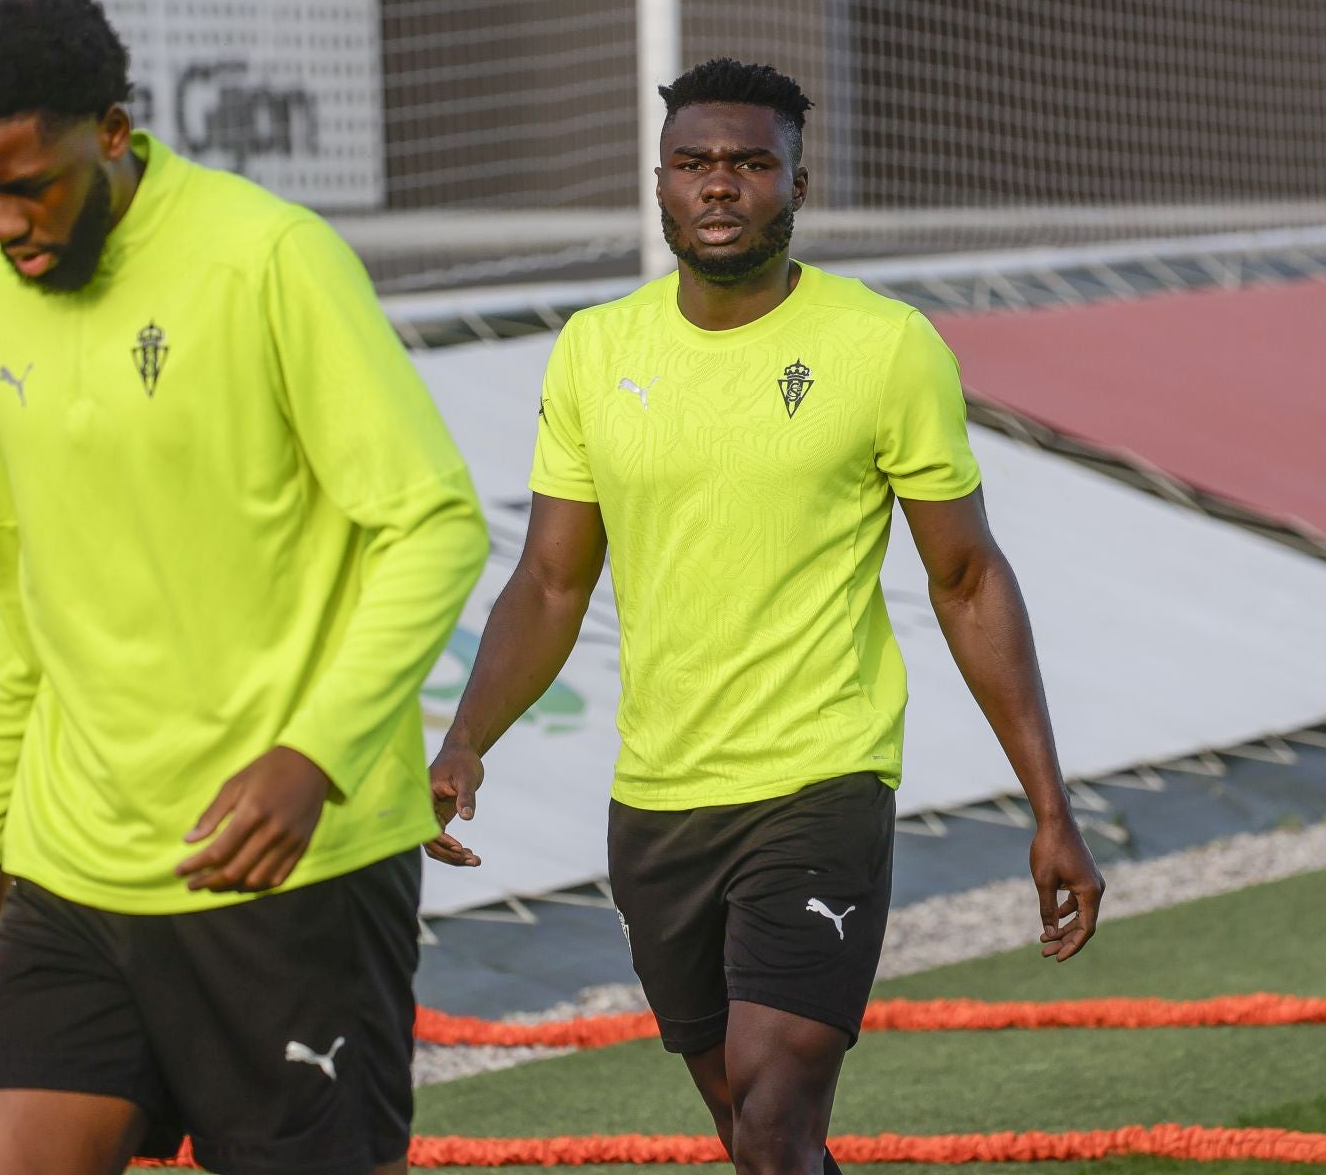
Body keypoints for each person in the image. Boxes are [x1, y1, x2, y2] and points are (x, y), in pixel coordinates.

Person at [425, 58, 1104, 1175]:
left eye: (750, 162)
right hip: (658, 797)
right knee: (750, 1128)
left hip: (820, 782)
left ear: (800, 181)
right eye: (695, 163)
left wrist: (1049, 804)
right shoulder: (597, 350)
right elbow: (551, 581)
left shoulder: (884, 346)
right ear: (659, 184)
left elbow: (968, 576)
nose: (721, 185)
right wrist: (467, 737)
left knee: (778, 1110)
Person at [0, 0, 489, 1175]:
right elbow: (32, 594)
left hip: (290, 866)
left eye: (31, 185)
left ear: (113, 133)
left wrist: (313, 755)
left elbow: (432, 522)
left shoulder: (270, 257)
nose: (4, 223)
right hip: (78, 861)